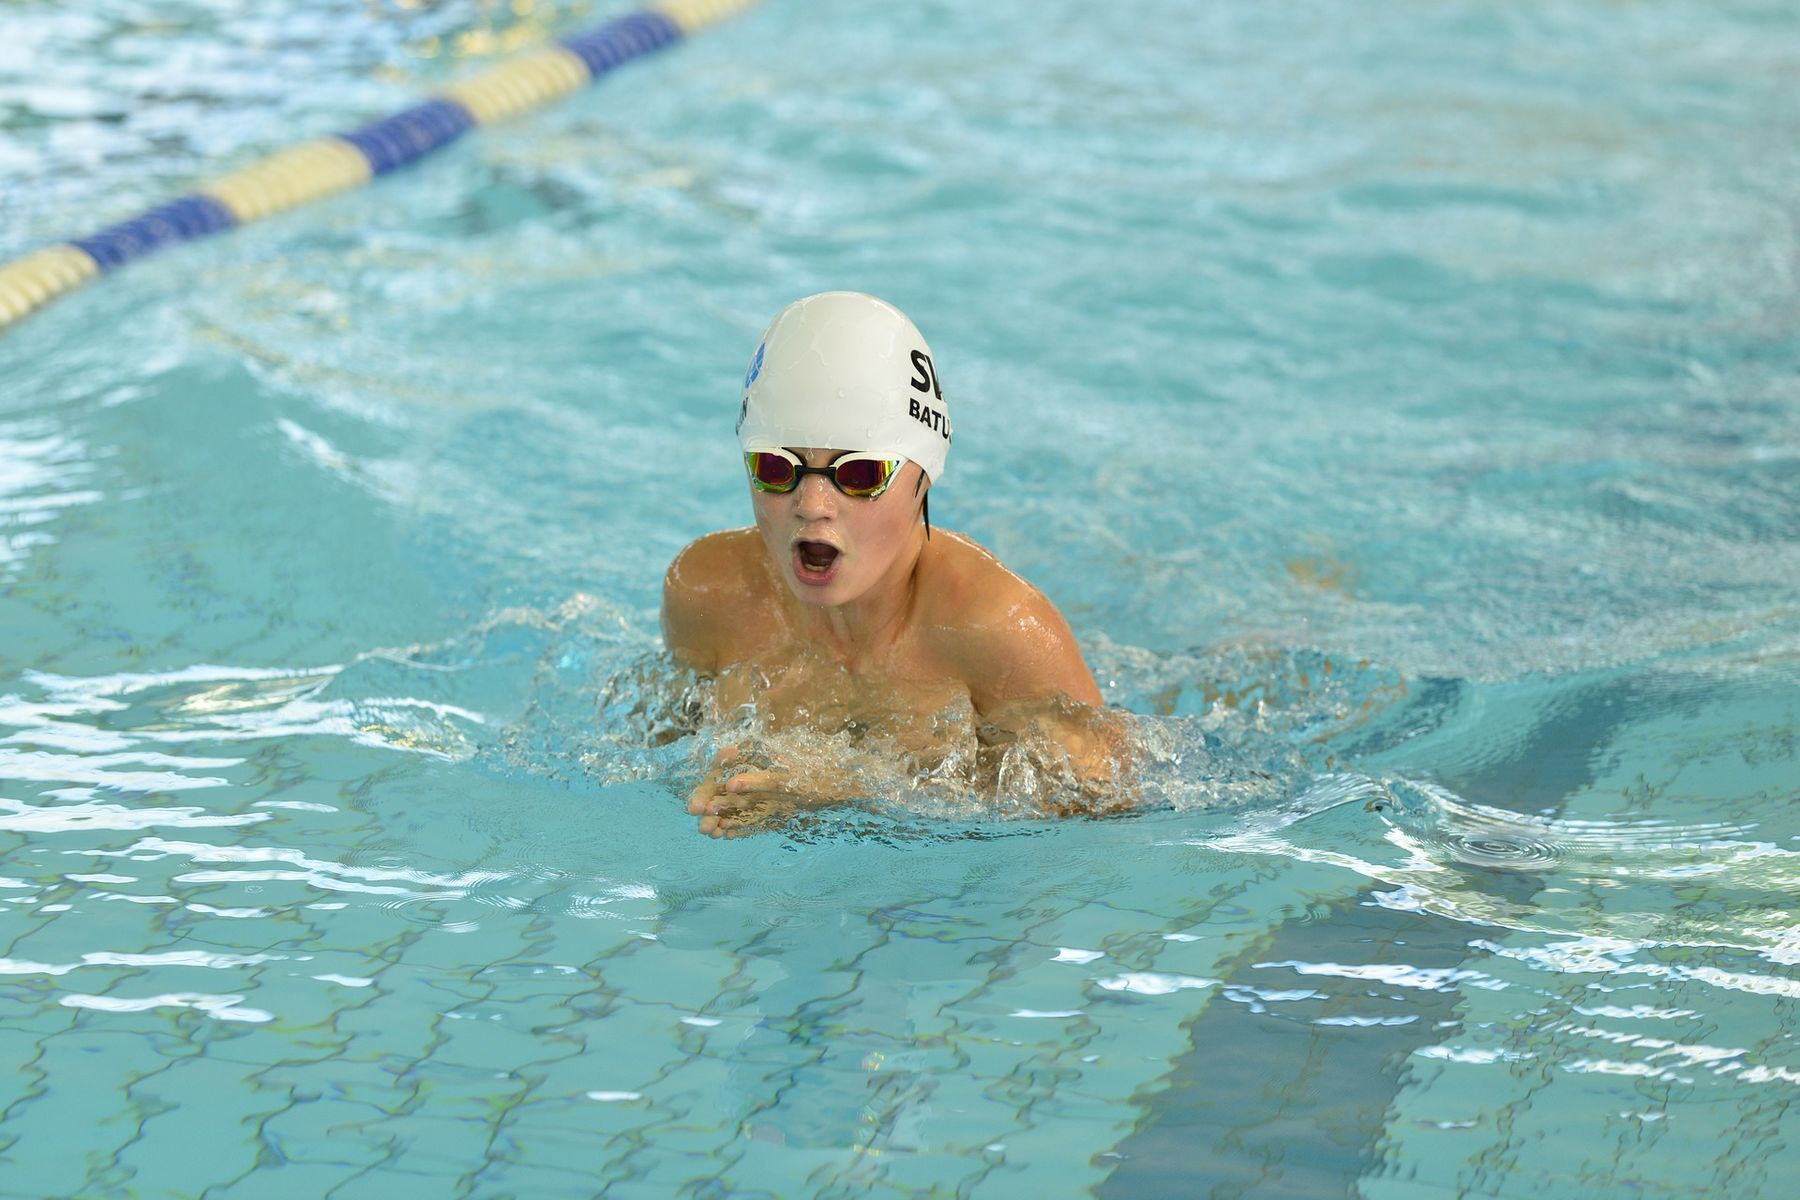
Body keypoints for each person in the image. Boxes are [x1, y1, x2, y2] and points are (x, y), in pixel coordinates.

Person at [661, 291, 1125, 837]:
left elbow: (1113, 806)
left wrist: (847, 794)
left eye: (859, 474)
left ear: (923, 476)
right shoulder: (709, 594)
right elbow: (666, 742)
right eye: (775, 467)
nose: (811, 505)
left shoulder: (995, 628)